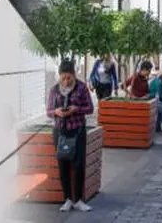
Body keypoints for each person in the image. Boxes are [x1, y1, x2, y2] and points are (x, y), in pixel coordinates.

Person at [45, 60, 94, 213]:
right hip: (60, 131)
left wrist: (76, 109)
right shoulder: (54, 90)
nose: (66, 81)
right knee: (63, 165)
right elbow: (48, 111)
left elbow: (90, 108)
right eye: (63, 77)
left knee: (79, 164)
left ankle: (79, 200)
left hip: (77, 130)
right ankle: (67, 199)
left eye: (69, 77)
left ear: (74, 75)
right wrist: (56, 112)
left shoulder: (81, 88)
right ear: (59, 76)